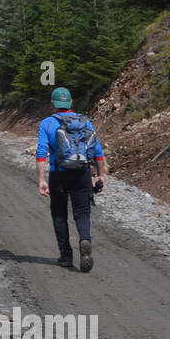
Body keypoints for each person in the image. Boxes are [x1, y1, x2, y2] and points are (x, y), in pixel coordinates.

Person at [36, 87, 106, 271]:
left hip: (59, 174)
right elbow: (97, 151)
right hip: (81, 173)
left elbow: (41, 153)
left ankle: (66, 256)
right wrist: (100, 175)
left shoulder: (47, 124)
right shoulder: (84, 121)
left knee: (59, 215)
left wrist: (41, 179)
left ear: (53, 104)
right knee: (82, 212)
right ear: (71, 102)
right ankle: (85, 241)